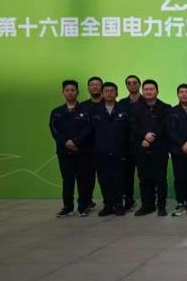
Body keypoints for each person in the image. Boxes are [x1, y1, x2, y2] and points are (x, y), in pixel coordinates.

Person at [49, 80, 91, 217]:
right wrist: (66, 142)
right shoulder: (57, 112)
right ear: (63, 92)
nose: (70, 93)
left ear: (77, 92)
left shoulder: (85, 110)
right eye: (67, 90)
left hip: (81, 151)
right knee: (67, 180)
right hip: (64, 151)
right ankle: (67, 207)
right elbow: (54, 129)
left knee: (83, 179)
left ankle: (83, 207)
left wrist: (75, 142)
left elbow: (88, 129)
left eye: (73, 90)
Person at [130, 79, 170, 216]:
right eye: (146, 89)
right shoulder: (135, 108)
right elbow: (133, 126)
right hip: (142, 147)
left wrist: (153, 136)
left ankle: (161, 206)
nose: (148, 92)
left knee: (161, 179)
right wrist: (144, 137)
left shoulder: (166, 108)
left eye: (151, 89)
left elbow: (165, 126)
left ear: (157, 91)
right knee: (144, 179)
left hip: (160, 148)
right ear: (142, 91)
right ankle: (147, 205)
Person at [91, 82, 131, 217]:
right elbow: (90, 131)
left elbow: (130, 131)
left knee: (119, 179)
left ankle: (119, 205)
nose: (109, 93)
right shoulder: (95, 111)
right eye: (106, 91)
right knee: (104, 179)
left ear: (117, 93)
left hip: (119, 151)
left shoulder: (124, 110)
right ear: (102, 94)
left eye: (112, 91)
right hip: (101, 151)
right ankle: (108, 205)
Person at [167, 84, 187, 216]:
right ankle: (180, 202)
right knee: (179, 177)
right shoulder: (172, 111)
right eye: (181, 92)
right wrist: (182, 145)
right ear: (178, 94)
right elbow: (170, 131)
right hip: (177, 150)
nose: (184, 94)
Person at [78, 76, 104, 212]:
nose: (94, 87)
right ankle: (85, 202)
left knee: (105, 177)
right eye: (92, 84)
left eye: (97, 84)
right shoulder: (81, 106)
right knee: (85, 177)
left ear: (102, 87)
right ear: (88, 88)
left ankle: (110, 202)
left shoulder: (109, 104)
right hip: (85, 148)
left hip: (104, 147)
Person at [117, 74, 141, 211]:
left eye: (134, 82)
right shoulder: (121, 104)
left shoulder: (146, 101)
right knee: (127, 174)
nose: (132, 85)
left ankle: (149, 200)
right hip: (126, 145)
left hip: (143, 144)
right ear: (126, 86)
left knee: (146, 175)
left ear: (139, 84)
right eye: (129, 83)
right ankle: (129, 199)